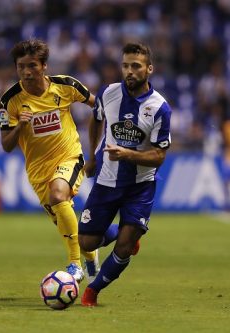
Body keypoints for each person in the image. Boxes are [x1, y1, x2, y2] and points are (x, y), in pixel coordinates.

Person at [77, 42, 172, 306]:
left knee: (125, 247)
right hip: (107, 181)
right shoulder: (108, 93)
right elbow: (96, 118)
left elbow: (159, 156)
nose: (129, 71)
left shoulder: (160, 108)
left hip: (140, 185)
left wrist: (129, 155)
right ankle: (124, 232)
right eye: (125, 65)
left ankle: (92, 291)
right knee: (86, 241)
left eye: (136, 66)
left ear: (149, 69)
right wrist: (94, 154)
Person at [0, 38, 98, 283]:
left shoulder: (66, 86)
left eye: (31, 65)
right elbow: (6, 146)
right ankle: (94, 249)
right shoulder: (10, 100)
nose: (26, 72)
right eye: (21, 66)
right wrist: (20, 125)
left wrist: (97, 149)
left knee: (58, 194)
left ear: (44, 66)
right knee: (72, 230)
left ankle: (75, 266)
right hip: (38, 172)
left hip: (69, 156)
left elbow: (100, 107)